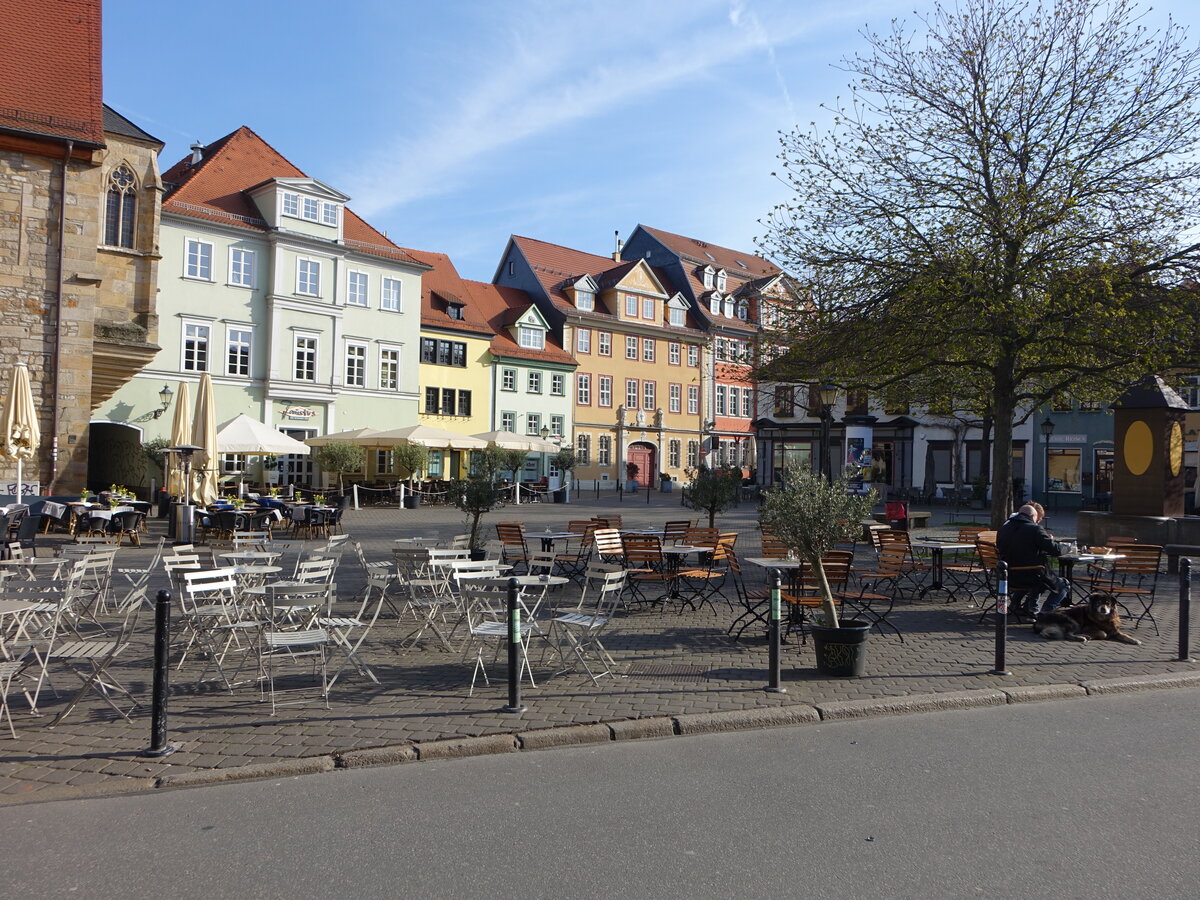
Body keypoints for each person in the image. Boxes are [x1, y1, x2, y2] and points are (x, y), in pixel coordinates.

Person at [996, 503, 1070, 618]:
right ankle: (1046, 613)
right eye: (1037, 519)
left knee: (1030, 575)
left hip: (1008, 576)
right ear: (1032, 516)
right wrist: (1067, 547)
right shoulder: (1034, 529)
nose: (1037, 522)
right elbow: (1055, 550)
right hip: (1030, 576)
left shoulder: (1004, 528)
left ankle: (1019, 605)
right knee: (1063, 584)